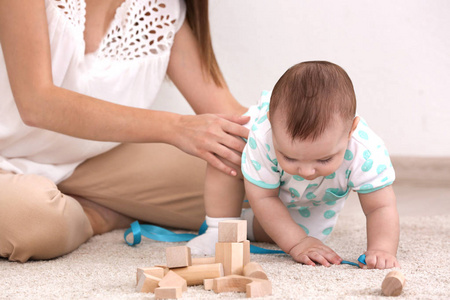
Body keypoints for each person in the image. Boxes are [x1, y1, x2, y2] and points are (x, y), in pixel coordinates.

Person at [0, 0, 250, 262]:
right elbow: (37, 104)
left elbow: (234, 118)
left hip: (96, 160)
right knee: (31, 220)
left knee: (250, 193)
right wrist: (176, 127)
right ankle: (101, 215)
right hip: (6, 157)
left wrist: (280, 138)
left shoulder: (162, 9)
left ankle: (87, 202)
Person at [187, 61, 400, 270]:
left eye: (324, 159)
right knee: (226, 147)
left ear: (351, 130)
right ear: (270, 122)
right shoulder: (262, 135)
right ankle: (219, 227)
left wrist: (382, 249)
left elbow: (380, 206)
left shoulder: (365, 152)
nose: (306, 171)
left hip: (313, 202)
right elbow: (263, 197)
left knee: (307, 236)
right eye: (290, 157)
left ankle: (246, 224)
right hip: (257, 184)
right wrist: (297, 244)